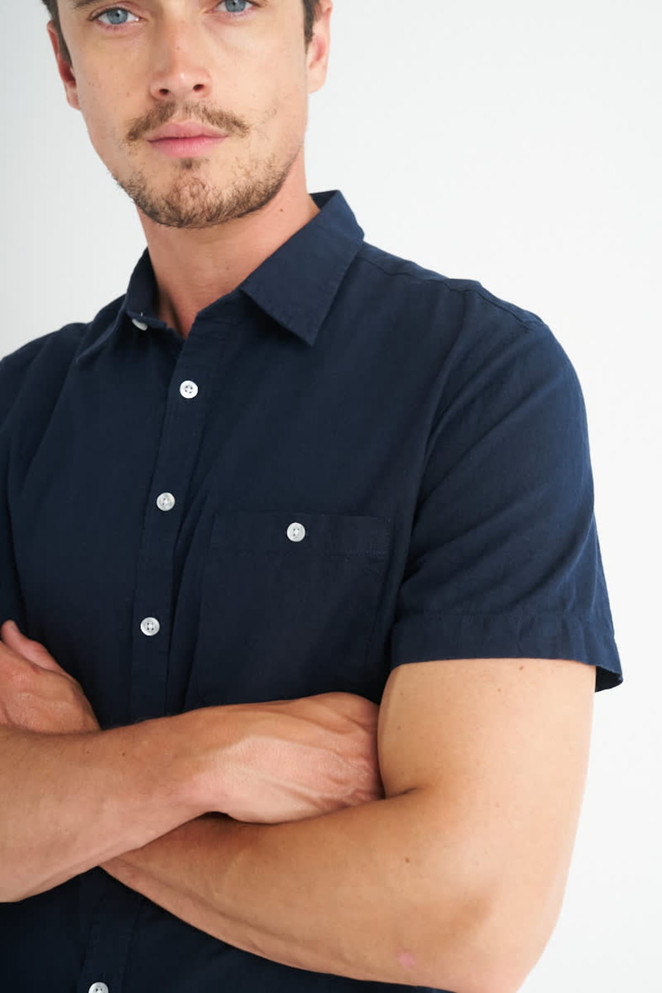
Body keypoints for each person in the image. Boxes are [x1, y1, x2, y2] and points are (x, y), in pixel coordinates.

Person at [0, 1, 622, 991]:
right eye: (116, 14)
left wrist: (74, 790)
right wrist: (200, 759)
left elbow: (465, 915)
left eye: (233, 4)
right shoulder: (13, 410)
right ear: (66, 68)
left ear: (315, 39)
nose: (177, 68)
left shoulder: (479, 380)